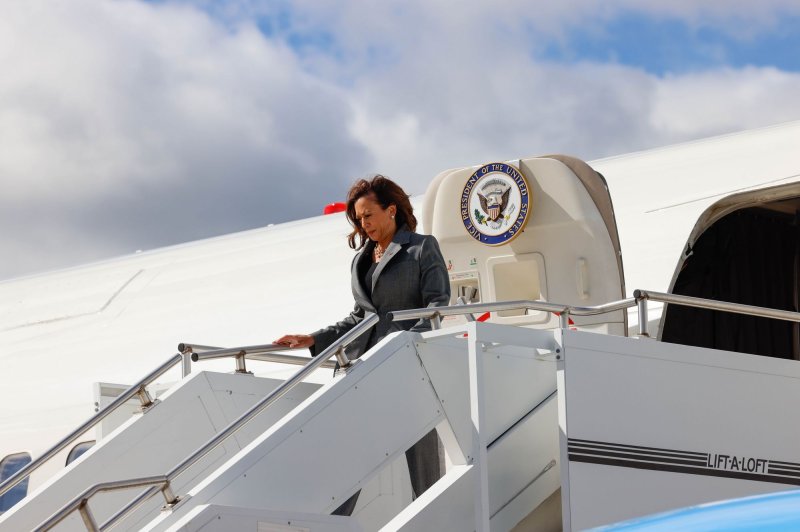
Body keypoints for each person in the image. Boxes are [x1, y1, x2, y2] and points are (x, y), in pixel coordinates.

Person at [275, 174, 450, 515]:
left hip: (407, 369)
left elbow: (437, 307)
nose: (363, 223)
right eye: (358, 218)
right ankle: (334, 522)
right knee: (350, 457)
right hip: (362, 369)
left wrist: (402, 343)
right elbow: (360, 317)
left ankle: (436, 520)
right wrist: (312, 339)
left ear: (391, 210)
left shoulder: (421, 248)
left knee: (423, 464)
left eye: (368, 215)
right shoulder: (361, 259)